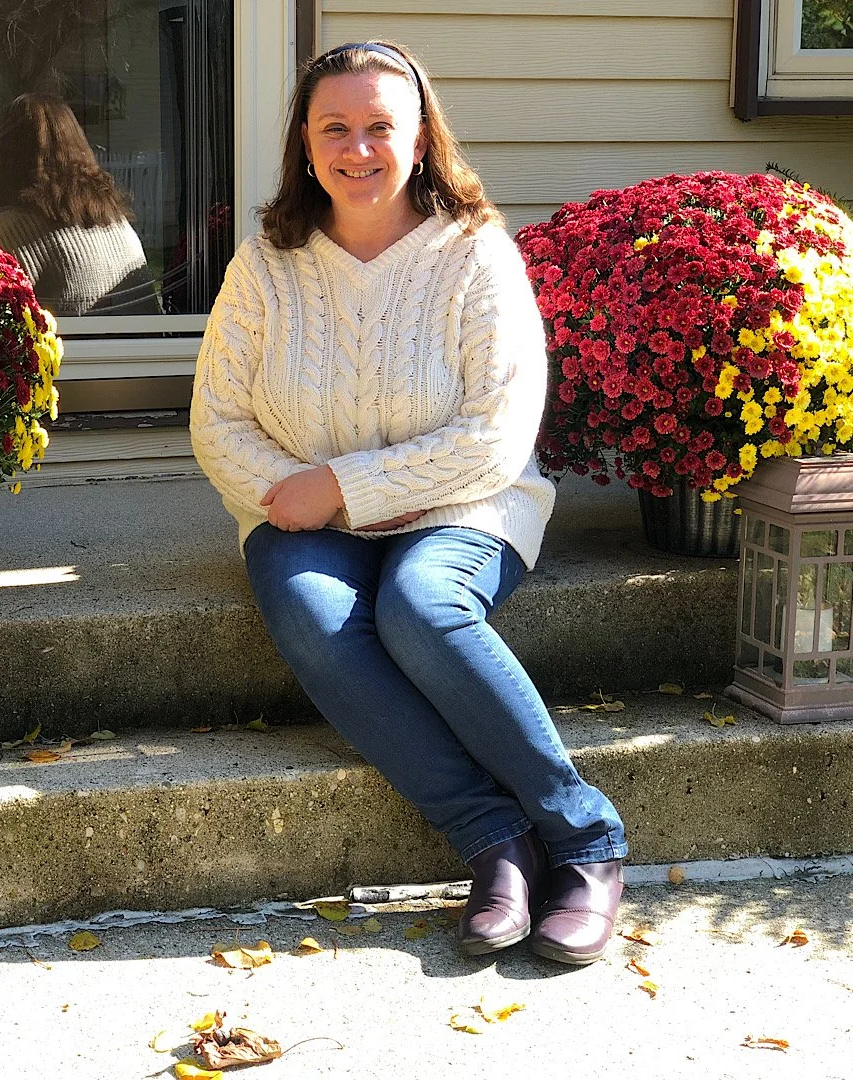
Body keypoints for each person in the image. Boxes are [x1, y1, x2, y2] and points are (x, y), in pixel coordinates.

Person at [190, 41, 628, 966]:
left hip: (468, 505)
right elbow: (218, 419)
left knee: (421, 604)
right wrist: (293, 497)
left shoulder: (476, 257)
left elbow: (493, 436)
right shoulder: (267, 264)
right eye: (334, 129)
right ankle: (493, 841)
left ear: (422, 138)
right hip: (298, 513)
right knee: (312, 610)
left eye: (380, 127)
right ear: (304, 146)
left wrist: (345, 486)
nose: (358, 149)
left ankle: (586, 840)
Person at [0, 92, 161, 317]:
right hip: (149, 350)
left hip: (81, 352)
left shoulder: (9, 227)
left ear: (8, 154)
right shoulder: (114, 220)